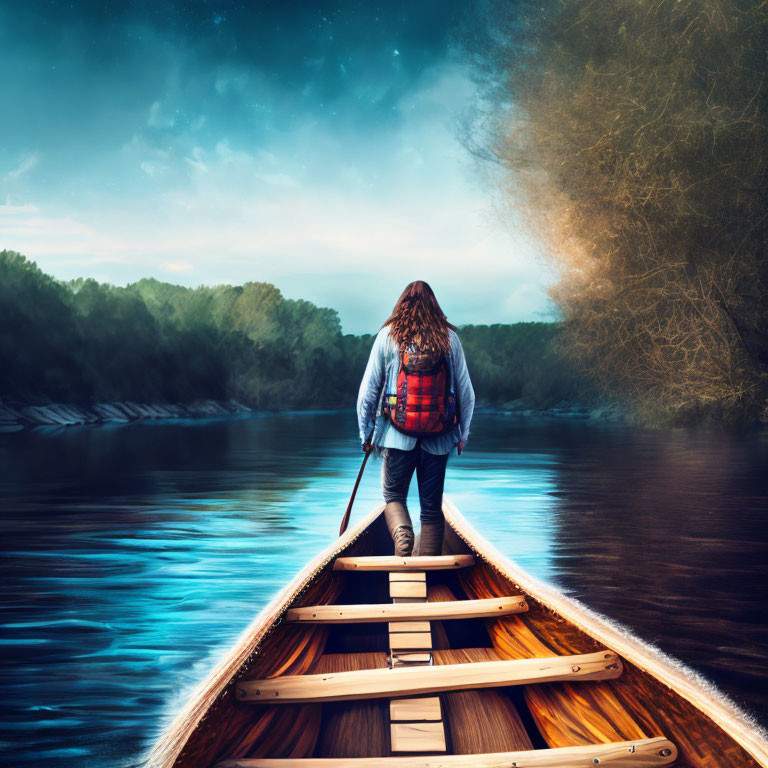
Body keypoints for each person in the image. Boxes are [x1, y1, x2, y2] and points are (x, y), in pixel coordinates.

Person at [356, 281, 475, 557]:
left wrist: (366, 435)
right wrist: (463, 435)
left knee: (394, 496)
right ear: (435, 306)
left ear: (401, 305)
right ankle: (429, 571)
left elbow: (368, 394)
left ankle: (402, 535)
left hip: (396, 436)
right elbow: (467, 393)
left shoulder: (388, 336)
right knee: (431, 510)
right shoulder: (449, 339)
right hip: (440, 437)